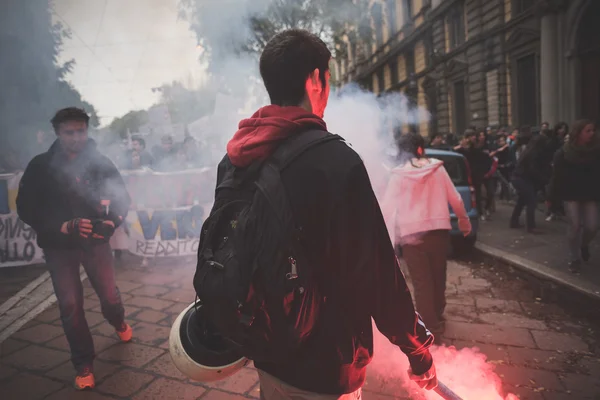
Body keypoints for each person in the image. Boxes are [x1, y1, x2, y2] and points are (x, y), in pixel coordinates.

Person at [210, 29, 437, 399]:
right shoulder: (334, 161)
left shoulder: (235, 159)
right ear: (316, 79)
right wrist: (417, 349)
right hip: (327, 365)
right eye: (328, 78)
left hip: (266, 347)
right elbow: (377, 275)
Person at [16, 107, 133, 390]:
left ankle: (118, 321)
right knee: (70, 305)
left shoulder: (101, 163)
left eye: (81, 131)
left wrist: (112, 222)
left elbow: (121, 198)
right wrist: (63, 226)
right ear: (57, 132)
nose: (76, 137)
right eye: (70, 132)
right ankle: (83, 362)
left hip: (96, 244)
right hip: (59, 248)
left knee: (108, 296)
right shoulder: (40, 166)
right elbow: (25, 207)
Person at [382, 132, 471, 336]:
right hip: (438, 232)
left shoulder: (398, 175)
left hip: (411, 236)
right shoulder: (437, 169)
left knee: (422, 282)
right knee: (438, 275)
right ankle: (437, 313)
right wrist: (464, 222)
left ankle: (429, 326)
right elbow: (456, 199)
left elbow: (387, 208)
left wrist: (387, 239)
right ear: (421, 148)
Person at [548, 120, 600, 273]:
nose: (592, 134)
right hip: (570, 193)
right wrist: (551, 196)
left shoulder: (596, 150)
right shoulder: (563, 152)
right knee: (575, 225)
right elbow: (556, 176)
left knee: (592, 226)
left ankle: (583, 245)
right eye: (588, 131)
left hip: (589, 193)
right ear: (578, 133)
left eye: (593, 130)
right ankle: (574, 257)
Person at [509, 135, 550, 233]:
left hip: (519, 178)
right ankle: (531, 227)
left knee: (522, 200)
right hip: (522, 178)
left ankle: (513, 221)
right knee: (531, 201)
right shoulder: (534, 154)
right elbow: (532, 170)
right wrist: (542, 178)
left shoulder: (528, 151)